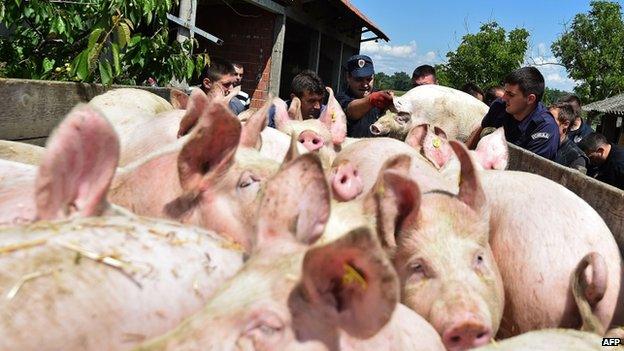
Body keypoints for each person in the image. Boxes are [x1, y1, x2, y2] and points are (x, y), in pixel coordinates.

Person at [480, 66, 559, 160]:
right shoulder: (499, 106)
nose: (504, 98)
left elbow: (530, 170)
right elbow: (480, 130)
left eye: (511, 95)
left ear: (530, 99)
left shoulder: (545, 129)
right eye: (505, 92)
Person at [335, 55, 394, 138]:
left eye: (369, 79)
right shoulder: (340, 98)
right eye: (359, 79)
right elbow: (351, 111)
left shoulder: (380, 96)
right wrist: (372, 100)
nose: (365, 84)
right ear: (348, 77)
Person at [549, 102, 588, 172]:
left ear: (566, 124)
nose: (545, 122)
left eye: (551, 119)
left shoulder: (576, 158)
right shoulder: (540, 141)